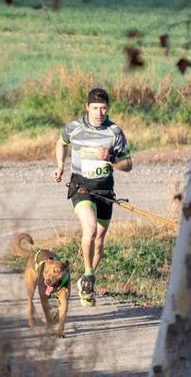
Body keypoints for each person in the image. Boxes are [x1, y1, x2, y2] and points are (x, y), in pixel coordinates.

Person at [53, 88, 132, 306]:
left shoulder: (114, 132)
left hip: (105, 190)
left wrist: (112, 158)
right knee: (91, 228)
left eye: (103, 108)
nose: (99, 112)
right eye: (95, 108)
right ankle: (88, 274)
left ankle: (88, 282)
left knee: (99, 240)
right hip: (81, 187)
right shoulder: (74, 128)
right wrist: (60, 166)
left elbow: (128, 165)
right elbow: (61, 143)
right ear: (87, 107)